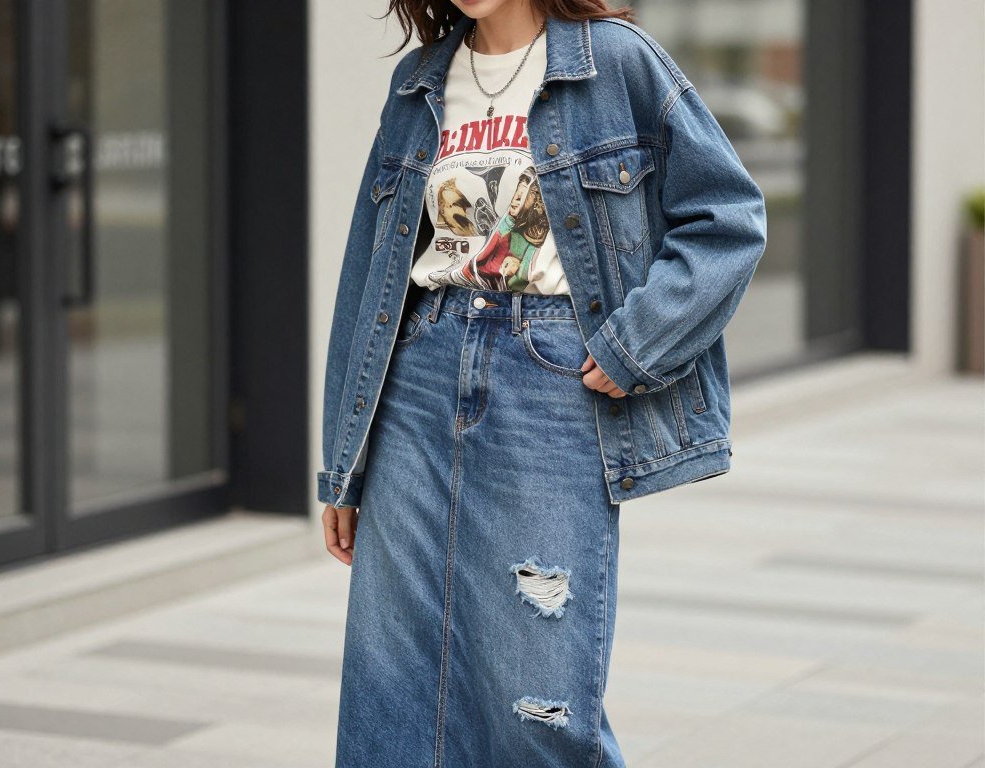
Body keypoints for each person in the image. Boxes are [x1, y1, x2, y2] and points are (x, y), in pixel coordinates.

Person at [318, 1, 767, 765]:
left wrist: (637, 345)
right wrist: (344, 463)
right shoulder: (417, 83)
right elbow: (370, 274)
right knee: (391, 679)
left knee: (538, 691)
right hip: (418, 378)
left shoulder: (616, 62)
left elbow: (728, 218)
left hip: (552, 381)